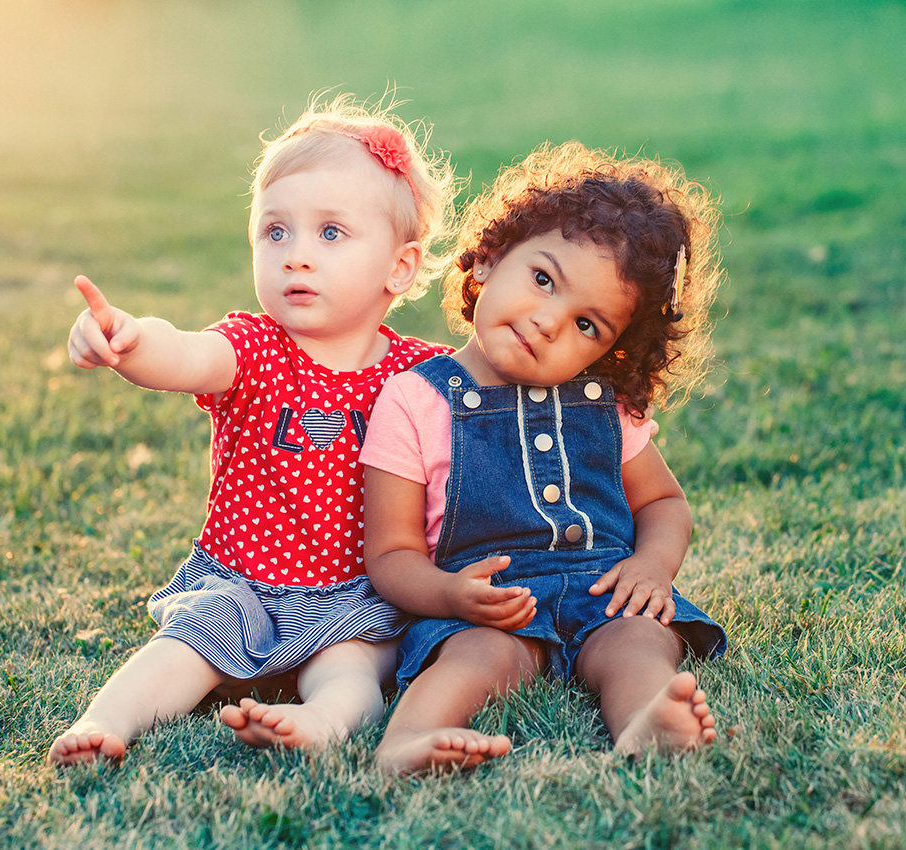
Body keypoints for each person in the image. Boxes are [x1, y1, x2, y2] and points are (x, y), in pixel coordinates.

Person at [47, 94, 456, 765]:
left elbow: (494, 403)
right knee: (179, 650)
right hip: (241, 586)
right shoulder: (254, 346)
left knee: (357, 668)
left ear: (400, 267)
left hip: (354, 595)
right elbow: (181, 353)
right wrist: (128, 338)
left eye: (330, 233)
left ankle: (320, 722)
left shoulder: (419, 375)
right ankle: (105, 723)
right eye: (276, 232)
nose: (296, 255)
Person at [361, 141, 728, 774]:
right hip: (490, 602)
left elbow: (664, 502)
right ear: (489, 259)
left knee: (640, 640)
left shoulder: (605, 407)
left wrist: (652, 566)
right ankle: (408, 740)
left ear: (612, 351)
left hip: (603, 590)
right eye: (542, 279)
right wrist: (451, 597)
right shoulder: (416, 401)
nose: (550, 321)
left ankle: (645, 724)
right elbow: (389, 556)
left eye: (589, 324)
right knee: (477, 658)